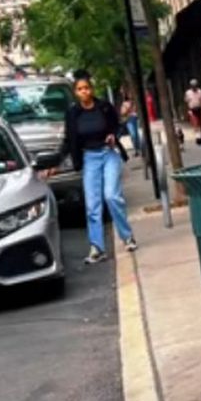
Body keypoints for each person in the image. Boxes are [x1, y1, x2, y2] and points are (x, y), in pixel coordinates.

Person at [66, 71, 137, 265]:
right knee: (92, 204)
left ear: (92, 89)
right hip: (89, 158)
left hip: (109, 154)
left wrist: (113, 135)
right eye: (80, 89)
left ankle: (127, 236)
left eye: (87, 88)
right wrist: (54, 164)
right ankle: (97, 247)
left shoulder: (104, 107)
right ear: (75, 92)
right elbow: (69, 139)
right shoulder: (73, 113)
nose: (84, 92)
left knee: (112, 196)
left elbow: (118, 126)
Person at [184, 78, 201, 145]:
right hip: (192, 109)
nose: (194, 87)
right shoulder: (188, 93)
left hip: (199, 108)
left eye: (195, 85)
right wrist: (188, 110)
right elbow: (186, 102)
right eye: (193, 86)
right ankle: (198, 138)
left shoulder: (200, 91)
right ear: (191, 86)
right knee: (195, 123)